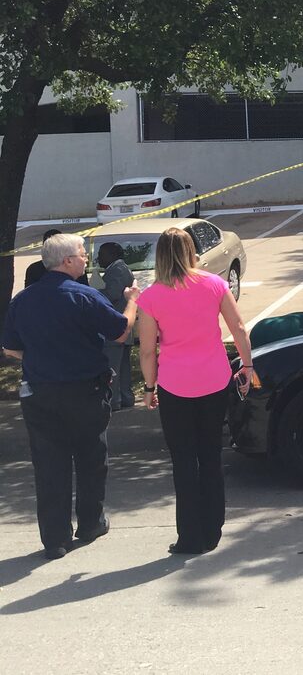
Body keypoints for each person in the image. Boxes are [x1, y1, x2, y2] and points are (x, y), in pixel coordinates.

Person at [2, 234, 139, 560]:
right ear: (66, 261)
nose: (85, 260)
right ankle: (90, 523)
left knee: (49, 465)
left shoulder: (22, 300)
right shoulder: (84, 296)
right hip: (85, 391)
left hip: (40, 393)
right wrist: (133, 300)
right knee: (91, 459)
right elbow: (120, 331)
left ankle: (55, 538)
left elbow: (9, 347)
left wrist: (39, 358)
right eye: (80, 255)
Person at [136, 227, 253, 555]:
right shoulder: (214, 284)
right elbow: (239, 328)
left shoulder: (150, 297)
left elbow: (147, 351)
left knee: (184, 461)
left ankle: (190, 536)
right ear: (192, 251)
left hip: (174, 385)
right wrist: (247, 366)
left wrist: (148, 387)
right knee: (210, 456)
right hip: (214, 379)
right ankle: (213, 528)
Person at [96, 242, 136, 410]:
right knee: (123, 367)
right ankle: (126, 397)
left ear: (112, 254)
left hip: (115, 329)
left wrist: (95, 291)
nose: (98, 257)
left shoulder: (118, 269)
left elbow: (112, 294)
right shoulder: (120, 269)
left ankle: (114, 401)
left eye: (102, 253)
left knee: (113, 368)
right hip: (122, 328)